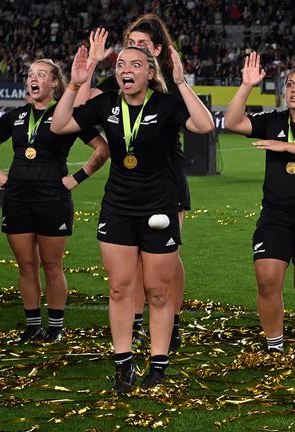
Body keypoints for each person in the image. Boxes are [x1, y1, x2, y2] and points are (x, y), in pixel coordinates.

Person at [51, 45, 214, 392]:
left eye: (135, 64)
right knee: (120, 288)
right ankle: (124, 365)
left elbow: (205, 124)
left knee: (157, 293)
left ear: (149, 73)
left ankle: (157, 365)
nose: (126, 70)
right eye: (121, 64)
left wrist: (182, 82)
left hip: (160, 209)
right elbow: (60, 124)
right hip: (118, 209)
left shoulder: (166, 105)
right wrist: (74, 84)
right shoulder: (106, 103)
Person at [84, 15, 190, 352]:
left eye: (143, 44)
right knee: (131, 261)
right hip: (127, 182)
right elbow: (83, 106)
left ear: (157, 50)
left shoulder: (170, 84)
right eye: (130, 42)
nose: (135, 48)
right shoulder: (120, 77)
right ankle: (136, 322)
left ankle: (171, 321)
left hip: (166, 176)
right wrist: (87, 69)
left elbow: (199, 121)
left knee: (165, 257)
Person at [225, 54, 295, 357]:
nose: (294, 89)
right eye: (289, 84)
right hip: (275, 214)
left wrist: (285, 145)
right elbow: (232, 121)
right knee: (267, 280)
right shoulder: (273, 119)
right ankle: (274, 348)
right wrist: (246, 85)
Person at [0, 59, 108, 343]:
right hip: (17, 198)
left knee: (52, 266)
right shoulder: (15, 115)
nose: (34, 78)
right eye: (30, 74)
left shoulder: (67, 117)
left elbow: (101, 149)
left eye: (41, 74)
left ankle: (54, 327)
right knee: (26, 265)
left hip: (52, 199)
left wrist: (77, 178)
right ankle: (32, 326)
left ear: (54, 83)